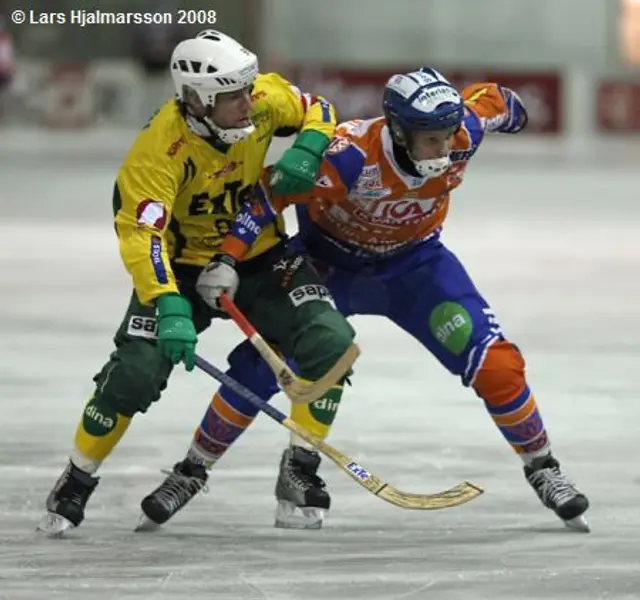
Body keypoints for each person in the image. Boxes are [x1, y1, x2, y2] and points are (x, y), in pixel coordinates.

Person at [142, 67, 590, 532]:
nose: (445, 149)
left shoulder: (463, 131)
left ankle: (543, 468)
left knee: (496, 365)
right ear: (398, 130)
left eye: (449, 136)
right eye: (430, 140)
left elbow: (495, 100)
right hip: (327, 266)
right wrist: (228, 260)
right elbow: (267, 198)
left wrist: (514, 112)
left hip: (415, 269)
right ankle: (195, 470)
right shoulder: (348, 157)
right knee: (265, 363)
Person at [38, 29, 356, 536]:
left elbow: (313, 106)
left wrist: (310, 145)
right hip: (180, 268)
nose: (249, 104)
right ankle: (77, 477)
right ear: (198, 100)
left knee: (331, 341)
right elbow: (143, 235)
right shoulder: (159, 152)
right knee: (136, 372)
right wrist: (168, 303)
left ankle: (300, 470)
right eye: (234, 96)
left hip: (257, 253)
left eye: (249, 90)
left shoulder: (260, 103)